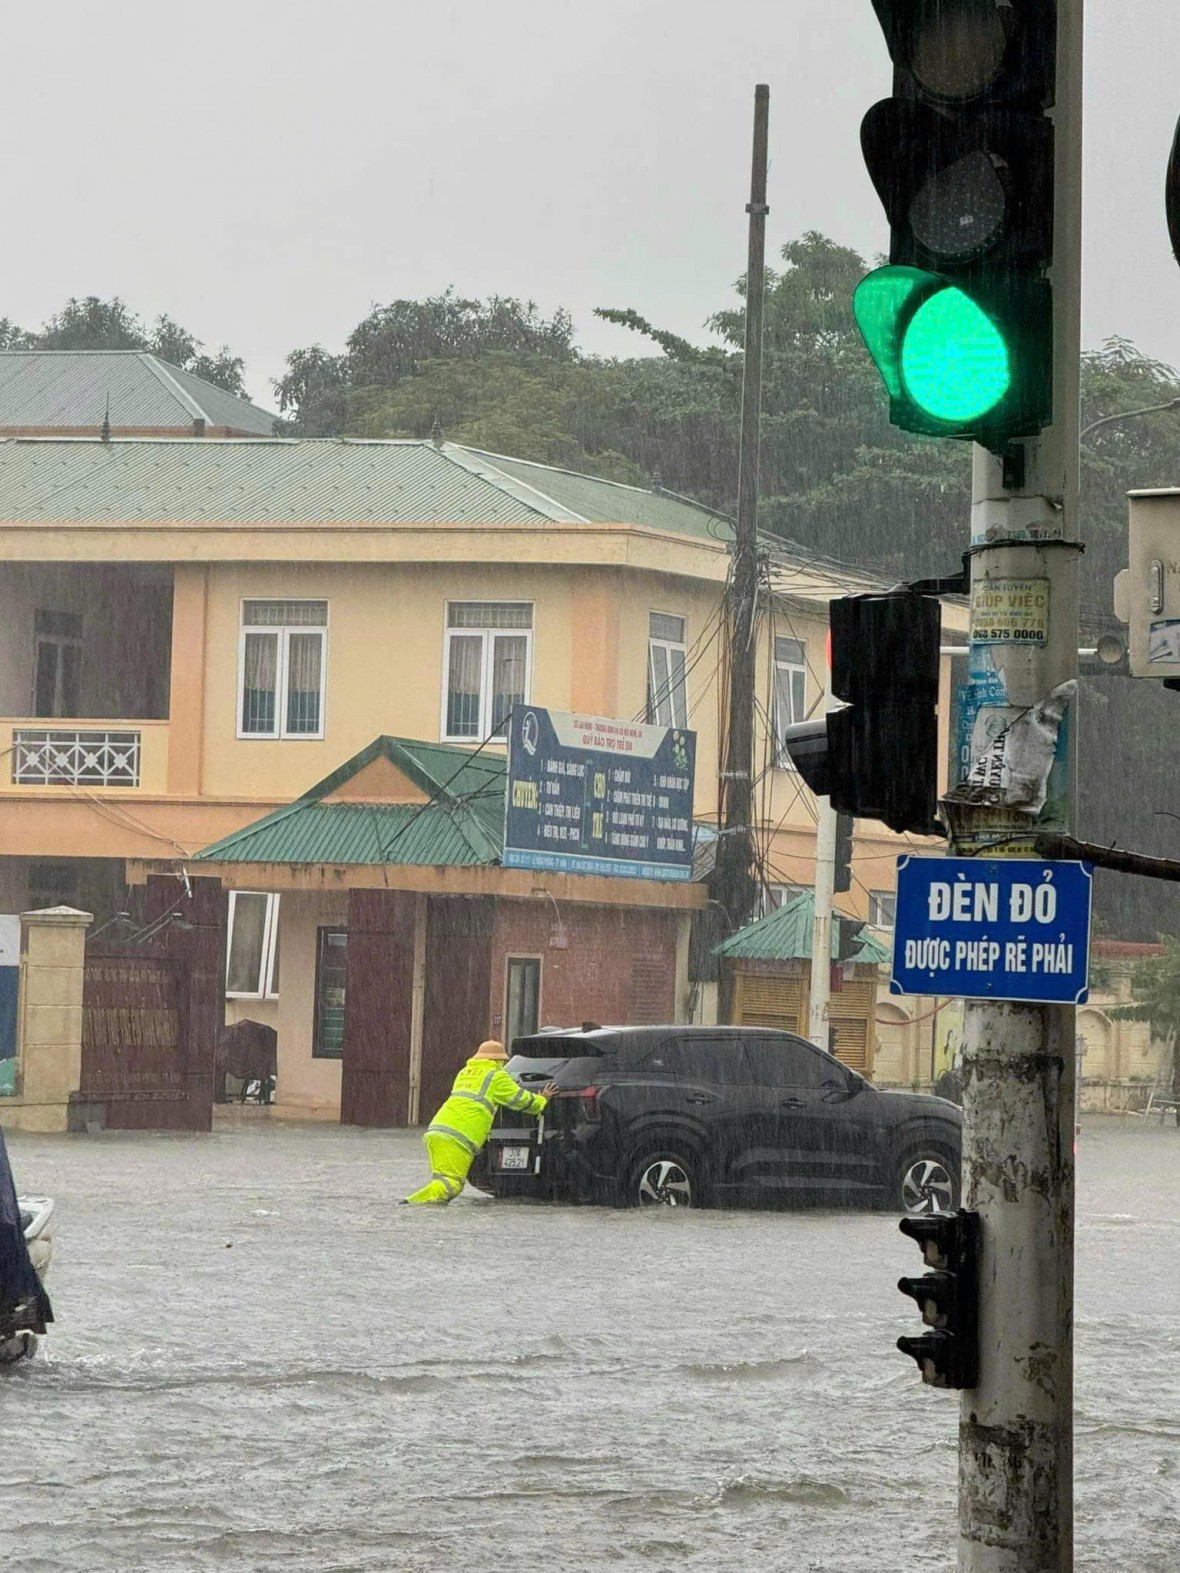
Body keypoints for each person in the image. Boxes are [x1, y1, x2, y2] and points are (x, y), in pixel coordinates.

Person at [403, 1039, 555, 1205]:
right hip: (458, 1137)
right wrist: (542, 1099)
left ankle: (420, 1205)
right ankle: (411, 1204)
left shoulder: (464, 1073)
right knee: (451, 1185)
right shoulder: (496, 1077)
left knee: (441, 1181)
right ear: (498, 1060)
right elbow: (521, 1100)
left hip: (437, 1131)